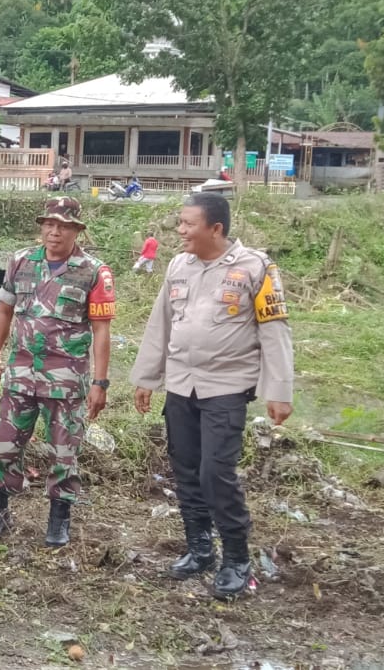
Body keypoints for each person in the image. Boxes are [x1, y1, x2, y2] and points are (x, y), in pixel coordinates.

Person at [130, 192, 294, 600]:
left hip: (227, 386)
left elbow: (274, 331)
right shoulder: (178, 266)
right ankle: (200, 549)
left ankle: (236, 559)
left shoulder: (256, 267)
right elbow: (160, 324)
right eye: (180, 222)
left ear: (215, 228)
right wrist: (146, 378)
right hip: (181, 383)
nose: (180, 230)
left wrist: (279, 391)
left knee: (215, 472)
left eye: (188, 224)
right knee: (185, 469)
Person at [0, 197, 113, 547]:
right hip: (21, 373)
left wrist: (100, 382)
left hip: (66, 379)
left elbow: (101, 330)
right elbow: (4, 312)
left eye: (64, 226)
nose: (55, 232)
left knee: (64, 452)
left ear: (76, 230)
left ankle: (59, 517)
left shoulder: (93, 271)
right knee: (5, 445)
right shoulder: (21, 261)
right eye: (49, 224)